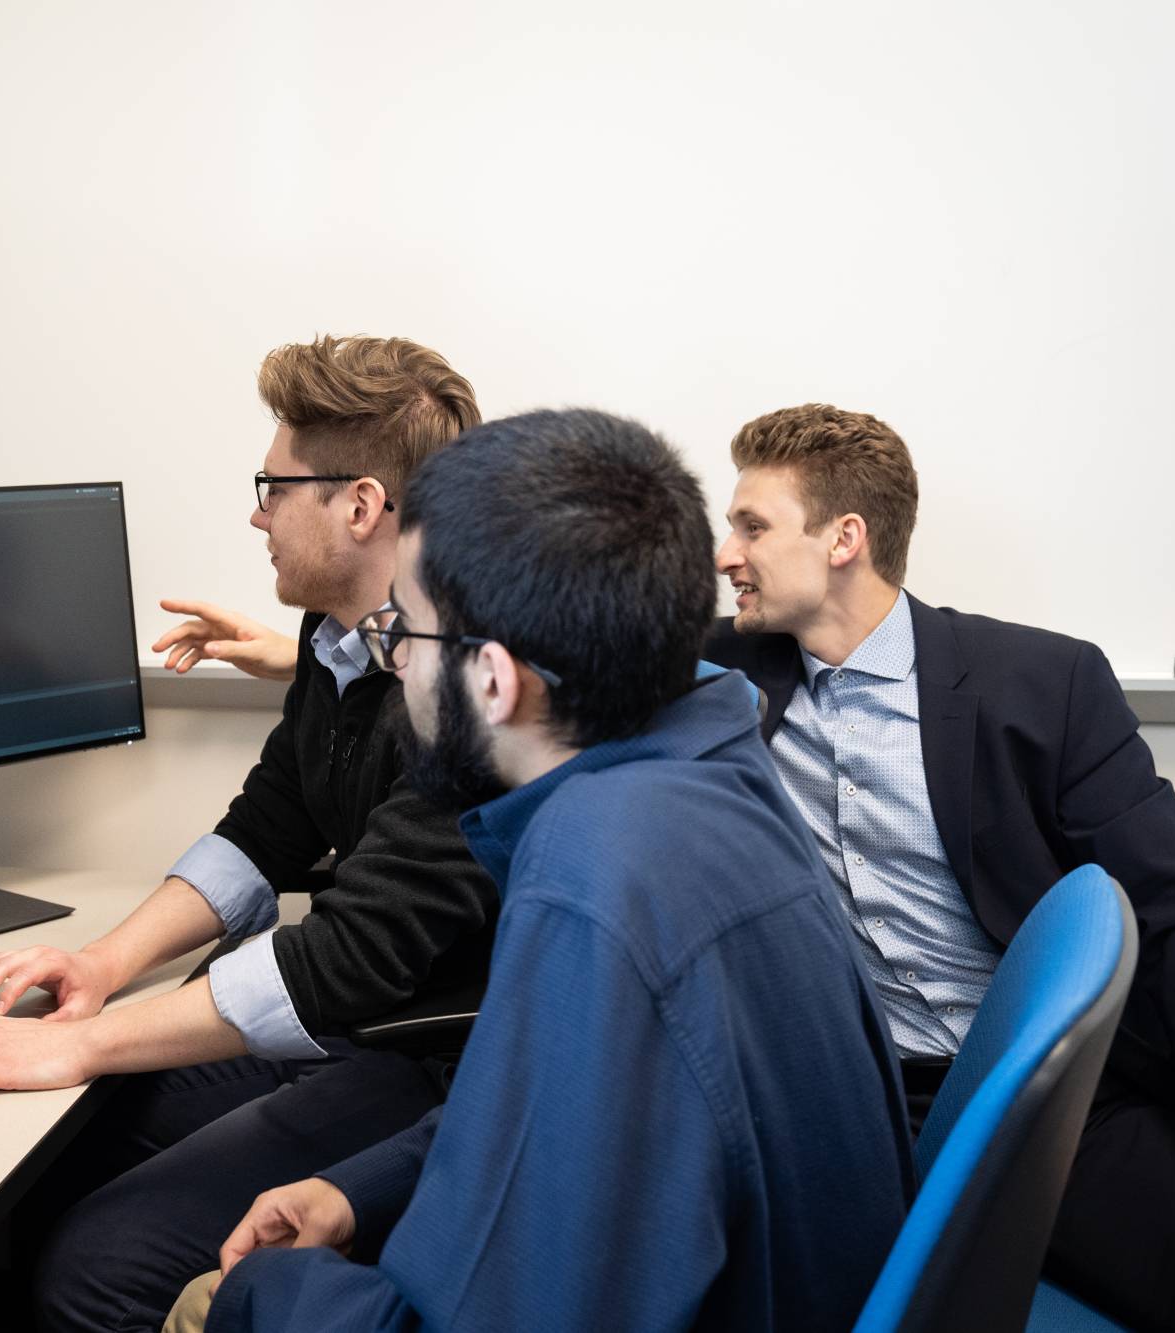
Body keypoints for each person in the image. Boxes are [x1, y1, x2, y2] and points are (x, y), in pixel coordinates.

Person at [171, 408, 912, 1332]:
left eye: (409, 633)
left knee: (191, 1298)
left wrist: (255, 1296)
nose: (395, 663)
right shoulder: (710, 766)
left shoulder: (593, 880)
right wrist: (360, 1187)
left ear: (493, 680)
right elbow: (570, 1113)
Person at [0, 335, 499, 1333]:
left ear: (361, 506)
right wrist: (100, 965)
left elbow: (348, 958)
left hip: (430, 1065)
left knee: (94, 1267)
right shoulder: (338, 635)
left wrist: (83, 1044)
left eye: (274, 488)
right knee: (74, 1137)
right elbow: (267, 826)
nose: (256, 514)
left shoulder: (460, 685)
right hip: (351, 1024)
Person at [704, 402, 1175, 1331]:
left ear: (843, 539)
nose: (725, 555)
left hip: (1051, 1094)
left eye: (752, 526)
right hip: (861, 1105)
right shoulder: (718, 675)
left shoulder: (1043, 683)